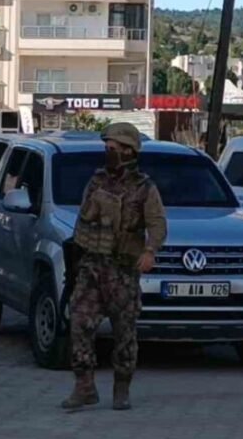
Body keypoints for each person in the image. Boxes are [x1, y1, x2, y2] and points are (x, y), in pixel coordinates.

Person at [62, 123, 167, 412]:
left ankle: (121, 387)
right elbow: (83, 219)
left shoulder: (144, 188)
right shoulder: (96, 182)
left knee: (124, 332)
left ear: (129, 151)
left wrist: (150, 251)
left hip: (122, 269)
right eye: (107, 148)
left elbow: (157, 224)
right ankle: (84, 386)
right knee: (80, 322)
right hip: (92, 265)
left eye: (114, 148)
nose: (109, 152)